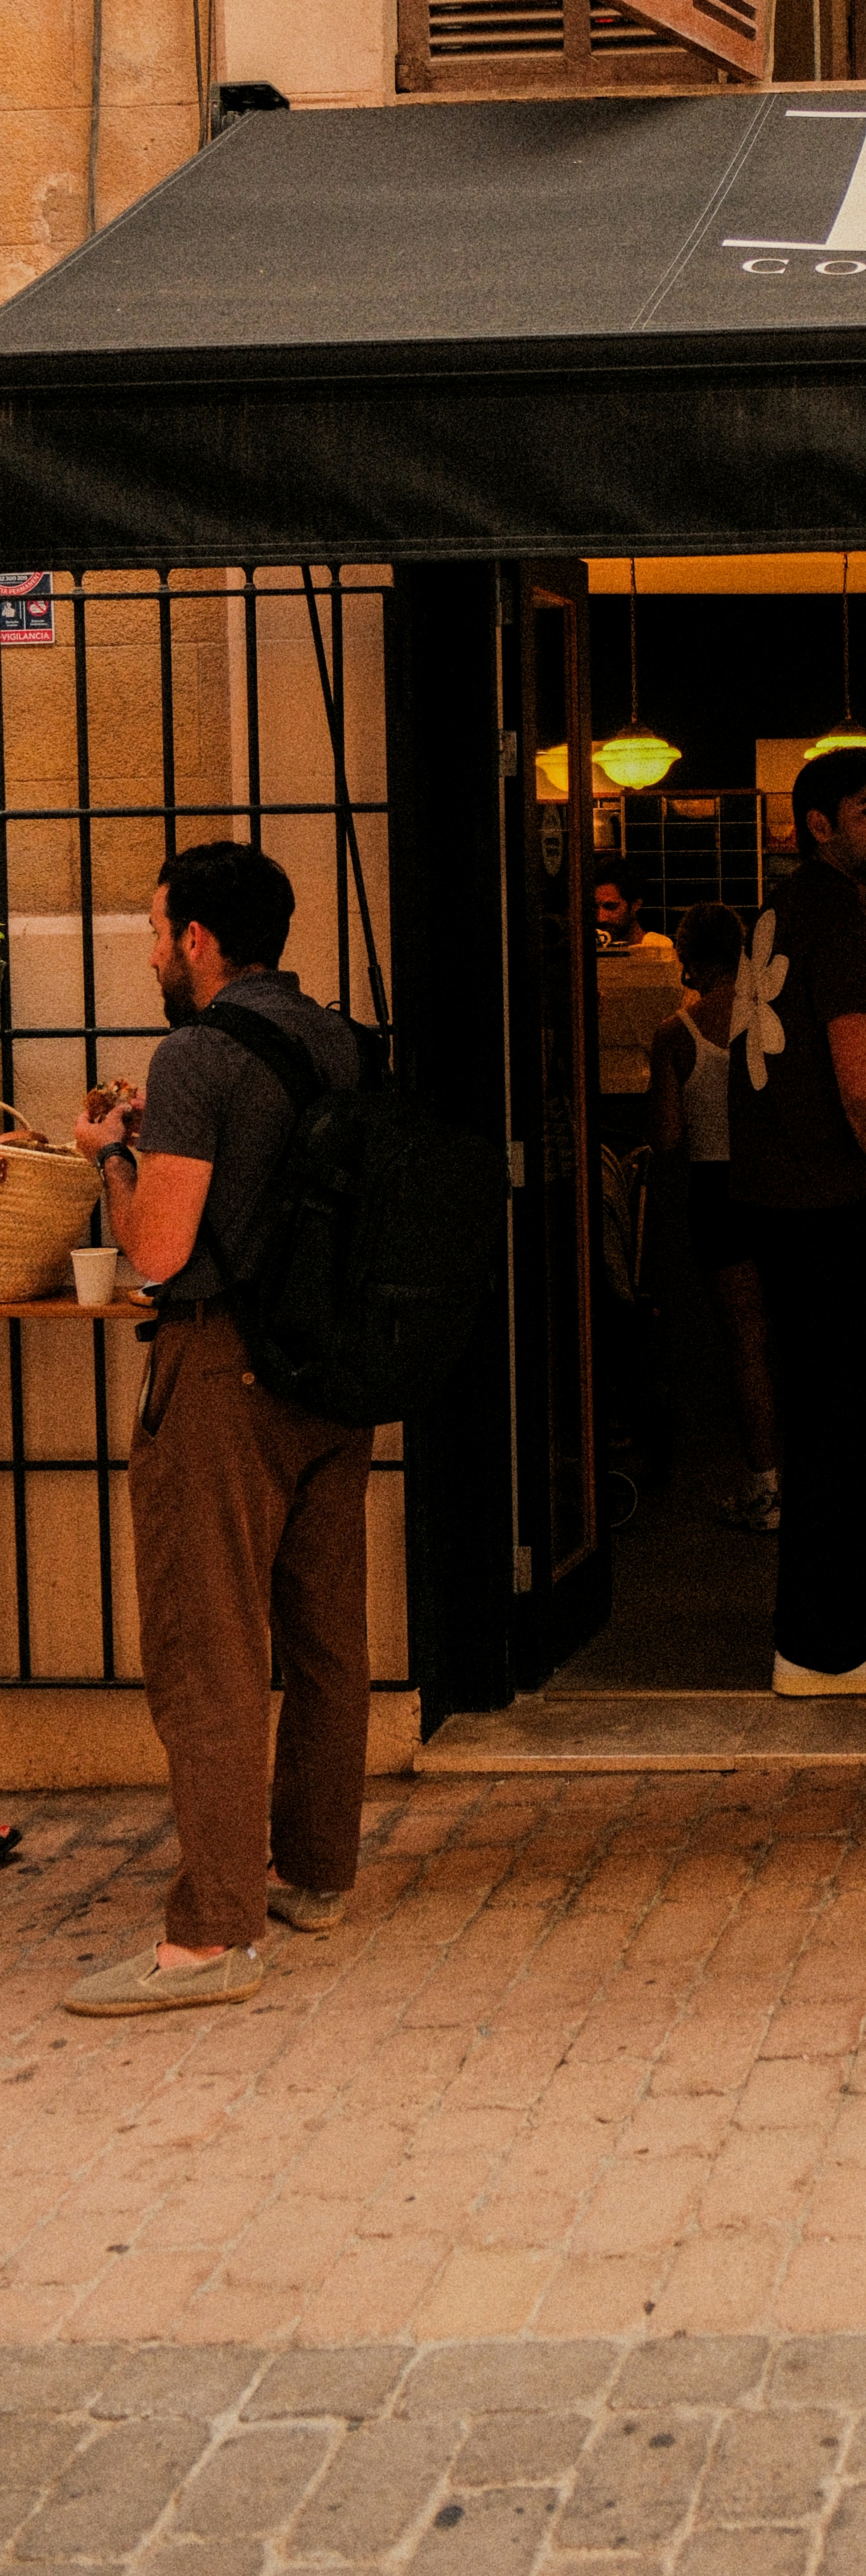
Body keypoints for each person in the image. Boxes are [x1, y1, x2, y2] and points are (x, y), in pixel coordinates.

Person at [63, 842, 375, 2015]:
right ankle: (315, 1875)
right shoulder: (332, 1036)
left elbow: (156, 1250)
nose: (150, 951)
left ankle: (208, 1936)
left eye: (154, 930)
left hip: (225, 1371)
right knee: (326, 1633)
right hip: (331, 1374)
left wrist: (116, 1155)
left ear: (196, 937)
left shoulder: (194, 1051)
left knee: (208, 1649)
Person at [724, 748, 866, 1695]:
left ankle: (857, 1593)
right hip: (837, 1201)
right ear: (816, 822)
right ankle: (819, 1648)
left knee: (824, 1411)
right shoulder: (844, 920)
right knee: (843, 1424)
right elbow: (859, 1073)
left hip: (774, 1197)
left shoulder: (780, 908)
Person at [648, 902, 780, 1533]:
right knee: (801, 1337)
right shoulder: (773, 1019)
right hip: (780, 1187)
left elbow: (668, 1138)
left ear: (692, 959)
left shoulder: (676, 1034)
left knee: (747, 1344)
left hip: (716, 1190)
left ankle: (765, 1487)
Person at [595, 855, 683, 1146]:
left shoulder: (657, 949)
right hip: (596, 1086)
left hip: (641, 1086)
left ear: (635, 905)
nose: (601, 917)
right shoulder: (589, 955)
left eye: (611, 906)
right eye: (595, 907)